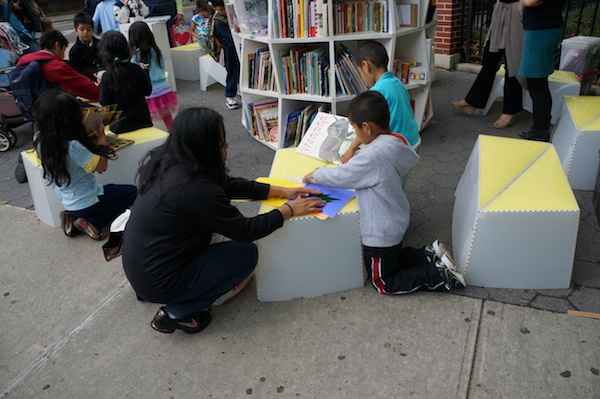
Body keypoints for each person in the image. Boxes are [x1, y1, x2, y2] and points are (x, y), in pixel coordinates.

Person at [121, 107, 325, 334]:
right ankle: (176, 312)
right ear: (203, 147)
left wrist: (280, 191)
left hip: (143, 268)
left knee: (220, 236)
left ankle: (173, 293)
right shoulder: (194, 189)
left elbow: (227, 184)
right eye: (220, 143)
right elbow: (246, 230)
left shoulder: (174, 161)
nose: (226, 146)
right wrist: (288, 210)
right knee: (246, 254)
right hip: (160, 280)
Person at [304, 91, 466, 295]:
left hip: (379, 234)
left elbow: (342, 176)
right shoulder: (395, 143)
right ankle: (429, 253)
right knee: (394, 259)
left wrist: (317, 174)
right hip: (394, 221)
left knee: (384, 281)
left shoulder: (373, 156)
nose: (354, 134)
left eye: (354, 129)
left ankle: (441, 277)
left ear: (366, 127)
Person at [33, 90, 137, 240]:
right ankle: (93, 222)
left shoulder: (39, 140)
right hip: (89, 201)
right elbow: (101, 167)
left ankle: (73, 218)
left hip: (68, 202)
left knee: (110, 194)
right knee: (132, 192)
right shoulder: (72, 146)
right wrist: (102, 138)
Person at [340, 40, 419, 163]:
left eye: (360, 72)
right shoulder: (397, 82)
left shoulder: (376, 93)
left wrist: (351, 148)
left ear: (366, 66)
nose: (362, 77)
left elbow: (367, 127)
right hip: (413, 139)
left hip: (399, 146)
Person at [450, 0, 524, 129]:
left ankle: (510, 112)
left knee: (513, 65)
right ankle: (472, 102)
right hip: (501, 11)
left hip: (518, 13)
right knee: (489, 61)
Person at [518, 0, 566, 142]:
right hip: (543, 30)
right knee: (538, 82)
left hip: (541, 32)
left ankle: (541, 130)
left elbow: (529, 2)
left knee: (537, 83)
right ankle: (541, 126)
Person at [17, 29, 100, 101]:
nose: (63, 55)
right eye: (64, 49)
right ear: (57, 45)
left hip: (32, 106)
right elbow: (82, 85)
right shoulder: (55, 66)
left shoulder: (25, 59)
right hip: (55, 110)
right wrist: (103, 91)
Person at [98, 30, 152, 133]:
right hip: (143, 121)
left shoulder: (107, 76)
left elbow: (104, 102)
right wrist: (145, 72)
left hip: (120, 127)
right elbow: (147, 91)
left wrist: (101, 86)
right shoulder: (136, 69)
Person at [128, 21, 178, 131]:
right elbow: (162, 66)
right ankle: (174, 135)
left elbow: (133, 69)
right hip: (163, 88)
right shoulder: (155, 50)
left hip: (149, 91)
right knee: (168, 117)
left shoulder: (137, 54)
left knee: (147, 118)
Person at [210, 0, 240, 109]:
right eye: (221, 9)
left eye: (224, 8)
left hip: (234, 46)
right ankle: (230, 96)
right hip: (229, 49)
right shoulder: (218, 21)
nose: (224, 11)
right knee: (232, 71)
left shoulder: (225, 16)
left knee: (238, 70)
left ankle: (236, 91)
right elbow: (228, 37)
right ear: (214, 8)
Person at [69, 13, 103, 81]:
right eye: (82, 29)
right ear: (76, 30)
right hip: (87, 80)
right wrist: (92, 72)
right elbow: (76, 69)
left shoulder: (100, 44)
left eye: (88, 29)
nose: (85, 32)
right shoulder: (75, 50)